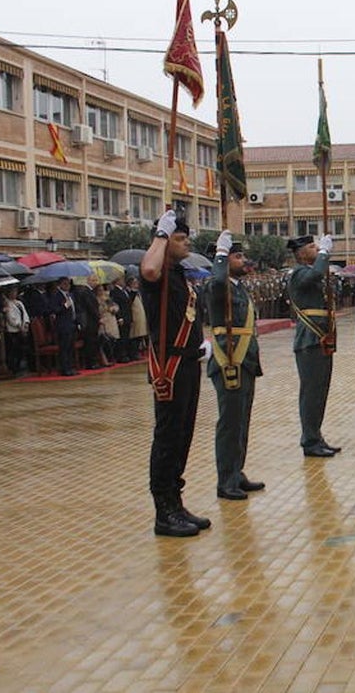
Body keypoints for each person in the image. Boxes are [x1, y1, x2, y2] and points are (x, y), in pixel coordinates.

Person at [140, 210, 211, 537]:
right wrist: (161, 234)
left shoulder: (180, 273)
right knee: (168, 438)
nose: (187, 243)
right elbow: (150, 267)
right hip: (169, 366)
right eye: (180, 239)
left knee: (183, 436)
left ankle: (176, 501)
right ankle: (163, 512)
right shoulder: (156, 273)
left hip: (188, 362)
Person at [207, 232, 265, 500]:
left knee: (242, 421)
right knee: (230, 423)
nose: (244, 260)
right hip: (229, 358)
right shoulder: (217, 284)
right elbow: (218, 279)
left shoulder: (238, 286)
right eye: (237, 256)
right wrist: (219, 252)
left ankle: (236, 471)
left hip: (246, 359)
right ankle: (225, 480)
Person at [287, 234, 341, 458]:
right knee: (311, 393)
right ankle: (309, 440)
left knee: (320, 392)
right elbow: (317, 273)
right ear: (300, 254)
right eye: (312, 246)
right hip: (309, 340)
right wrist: (325, 253)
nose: (317, 248)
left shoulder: (312, 273)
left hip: (321, 339)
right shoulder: (299, 273)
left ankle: (316, 436)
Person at [46, 277, 79, 376]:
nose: (67, 286)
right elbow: (53, 309)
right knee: (64, 348)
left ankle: (70, 367)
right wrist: (64, 306)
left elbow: (74, 310)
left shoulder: (70, 295)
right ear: (60, 285)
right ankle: (64, 369)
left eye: (68, 284)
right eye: (65, 284)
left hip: (71, 324)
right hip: (63, 325)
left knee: (70, 347)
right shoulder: (56, 295)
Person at [73, 275, 102, 369]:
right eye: (93, 280)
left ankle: (93, 361)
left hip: (92, 321)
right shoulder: (86, 292)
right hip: (89, 322)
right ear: (88, 281)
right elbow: (91, 307)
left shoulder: (90, 292)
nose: (95, 282)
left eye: (96, 280)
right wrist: (98, 317)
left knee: (93, 342)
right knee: (90, 342)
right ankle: (90, 363)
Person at [3, 284, 29, 375]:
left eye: (15, 292)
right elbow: (10, 318)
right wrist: (18, 325)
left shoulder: (19, 303)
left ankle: (18, 367)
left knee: (20, 350)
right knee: (13, 350)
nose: (14, 294)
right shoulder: (7, 303)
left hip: (22, 329)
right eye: (12, 292)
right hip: (13, 330)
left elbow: (25, 314)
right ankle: (13, 368)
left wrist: (25, 324)